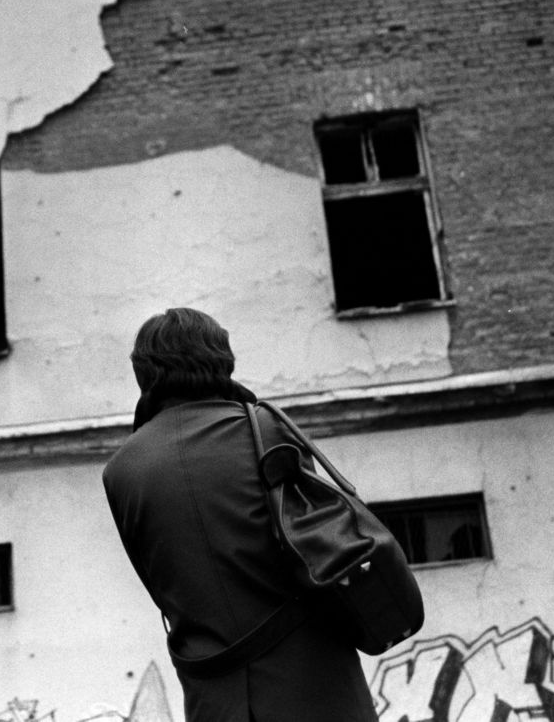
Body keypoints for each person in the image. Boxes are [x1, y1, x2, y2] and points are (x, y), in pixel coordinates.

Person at [102, 307, 376, 722]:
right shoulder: (266, 430)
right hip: (315, 686)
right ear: (222, 360)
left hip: (214, 698)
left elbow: (159, 587)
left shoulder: (121, 471)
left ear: (144, 374)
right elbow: (320, 546)